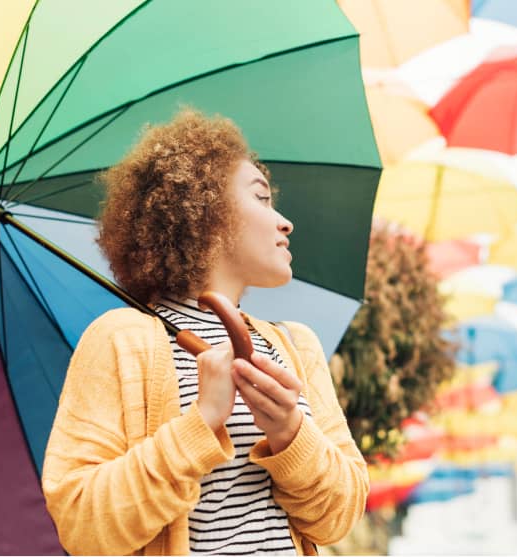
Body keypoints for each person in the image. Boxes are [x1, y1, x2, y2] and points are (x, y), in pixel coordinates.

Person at [41, 108, 368, 555]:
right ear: (205, 211)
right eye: (262, 198)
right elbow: (83, 528)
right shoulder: (122, 339)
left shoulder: (294, 345)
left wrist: (290, 431)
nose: (285, 222)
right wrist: (200, 423)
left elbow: (339, 517)